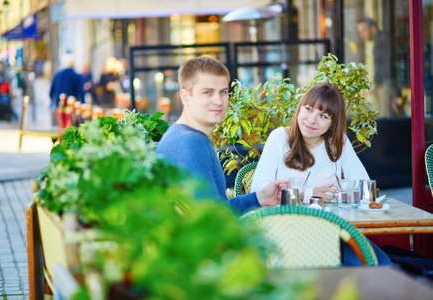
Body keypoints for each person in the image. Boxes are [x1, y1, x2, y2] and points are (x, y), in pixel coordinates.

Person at [251, 82, 392, 265]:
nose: (312, 120)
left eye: (323, 116)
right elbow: (258, 191)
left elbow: (362, 182)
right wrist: (308, 193)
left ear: (333, 122)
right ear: (300, 108)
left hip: (334, 231)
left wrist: (343, 191)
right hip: (287, 232)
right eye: (308, 109)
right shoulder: (280, 138)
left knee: (382, 265)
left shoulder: (337, 142)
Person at [156, 56, 288, 214]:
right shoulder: (191, 143)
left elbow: (216, 207)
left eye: (223, 92)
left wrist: (259, 198)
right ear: (185, 96)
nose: (218, 101)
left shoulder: (179, 135)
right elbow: (212, 219)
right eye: (208, 93)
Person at [357, 18, 396, 117]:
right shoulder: (381, 40)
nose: (362, 35)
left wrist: (377, 84)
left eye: (364, 31)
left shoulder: (380, 42)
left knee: (384, 114)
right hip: (387, 80)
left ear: (373, 29)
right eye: (360, 32)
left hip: (385, 82)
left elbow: (382, 64)